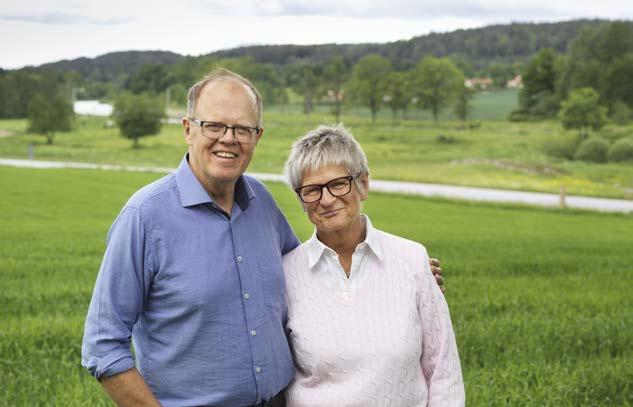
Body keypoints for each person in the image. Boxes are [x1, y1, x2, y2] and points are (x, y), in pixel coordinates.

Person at [81, 69, 445, 407]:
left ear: (258, 136)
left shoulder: (261, 203)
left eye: (242, 128)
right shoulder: (145, 218)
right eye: (214, 125)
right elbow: (103, 347)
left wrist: (397, 274)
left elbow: (312, 275)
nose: (229, 138)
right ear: (188, 129)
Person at [282, 125, 464, 406]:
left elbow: (444, 372)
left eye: (339, 183)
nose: (327, 199)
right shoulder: (285, 273)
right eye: (312, 190)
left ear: (363, 184)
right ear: (300, 200)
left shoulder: (412, 260)